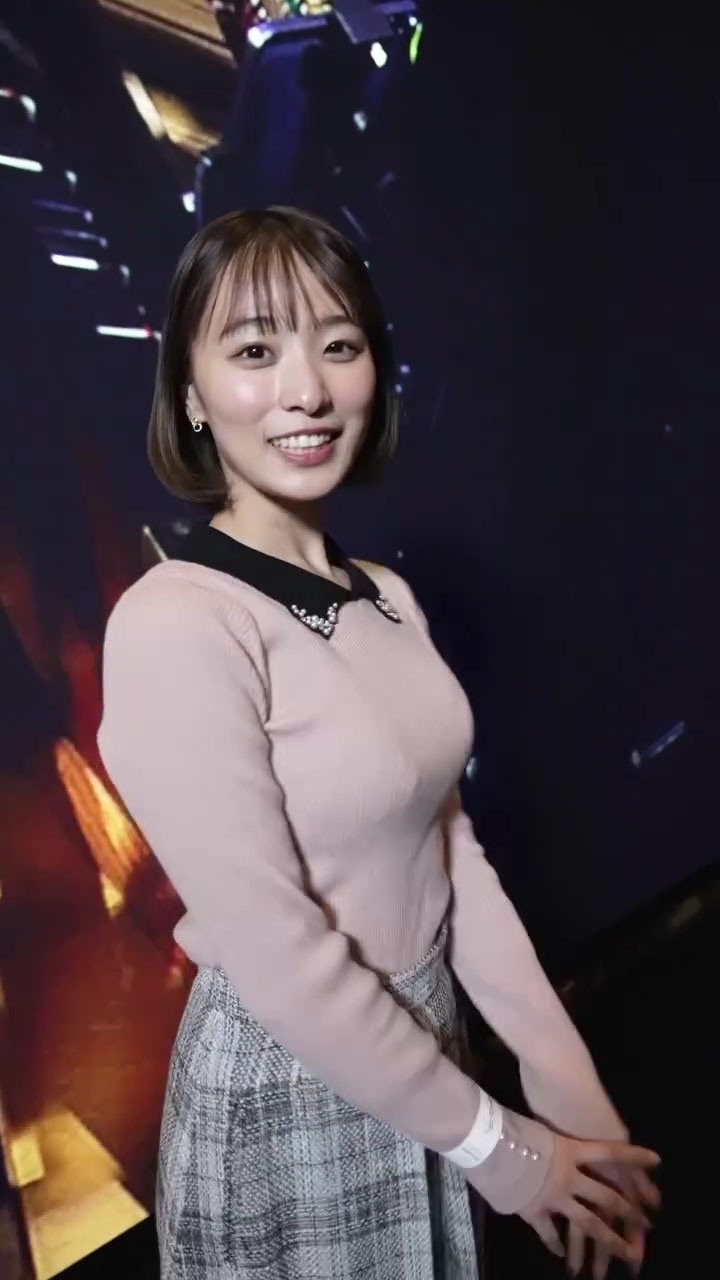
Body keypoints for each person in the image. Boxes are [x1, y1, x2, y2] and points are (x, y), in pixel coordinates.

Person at [98, 207, 660, 1280]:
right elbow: (279, 954)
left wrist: (564, 1083)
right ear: (191, 395)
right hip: (289, 1086)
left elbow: (450, 859)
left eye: (339, 343)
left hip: (433, 1057)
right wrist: (504, 1147)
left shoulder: (387, 594)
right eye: (255, 351)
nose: (307, 389)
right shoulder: (175, 621)